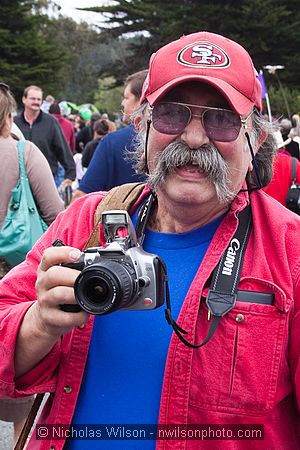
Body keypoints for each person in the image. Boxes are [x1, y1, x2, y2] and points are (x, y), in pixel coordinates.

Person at [0, 31, 299, 450]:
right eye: (172, 115)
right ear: (141, 127)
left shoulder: (291, 252)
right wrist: (39, 322)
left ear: (257, 140)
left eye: (222, 119)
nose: (194, 139)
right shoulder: (86, 221)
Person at [0, 83, 64, 443]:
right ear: (9, 113)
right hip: (13, 271)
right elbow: (57, 216)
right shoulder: (24, 153)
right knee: (15, 386)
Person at [72, 70, 148, 201]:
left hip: (119, 219)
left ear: (141, 100)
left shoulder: (112, 142)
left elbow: (82, 197)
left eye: (126, 97)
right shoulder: (176, 142)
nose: (122, 103)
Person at [14, 85, 76, 188]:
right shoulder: (15, 123)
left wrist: (70, 174)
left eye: (39, 99)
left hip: (46, 178)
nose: (36, 102)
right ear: (24, 99)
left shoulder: (51, 122)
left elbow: (62, 148)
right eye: (33, 98)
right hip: (18, 179)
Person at [263, 129, 300, 205]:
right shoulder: (294, 163)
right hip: (289, 211)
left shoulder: (262, 164)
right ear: (284, 147)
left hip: (266, 211)